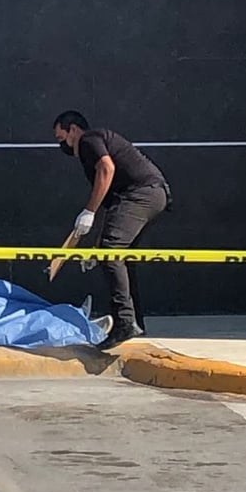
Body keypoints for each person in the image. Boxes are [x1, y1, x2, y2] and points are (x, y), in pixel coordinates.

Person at [52, 110, 171, 348]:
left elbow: (106, 169)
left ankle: (125, 322)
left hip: (141, 194)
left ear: (73, 130)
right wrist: (97, 246)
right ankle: (135, 321)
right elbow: (114, 209)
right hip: (151, 194)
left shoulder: (89, 139)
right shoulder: (94, 145)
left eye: (61, 137)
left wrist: (88, 212)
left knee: (112, 253)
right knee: (120, 257)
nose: (61, 144)